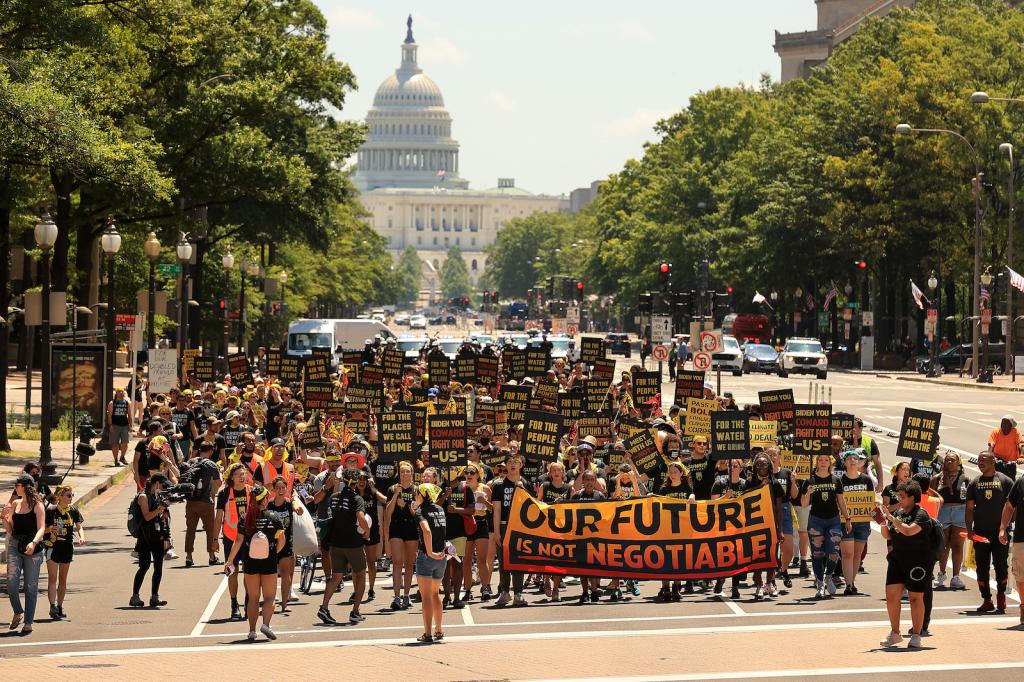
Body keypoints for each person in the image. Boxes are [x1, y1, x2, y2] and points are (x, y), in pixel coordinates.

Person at [224, 485, 285, 642]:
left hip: (250, 562)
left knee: (253, 598)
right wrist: (273, 554)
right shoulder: (274, 517)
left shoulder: (245, 518)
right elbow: (282, 541)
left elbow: (238, 541)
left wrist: (229, 561)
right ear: (264, 500)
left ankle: (252, 631)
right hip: (269, 562)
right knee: (270, 597)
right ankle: (266, 625)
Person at [878, 481, 933, 649]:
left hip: (917, 561)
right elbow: (888, 536)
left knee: (915, 598)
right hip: (897, 559)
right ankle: (895, 633)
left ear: (912, 497)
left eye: (902, 497)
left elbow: (909, 531)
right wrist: (882, 521)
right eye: (898, 496)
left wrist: (892, 518)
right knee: (891, 596)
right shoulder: (899, 513)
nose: (899, 500)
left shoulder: (921, 514)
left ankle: (916, 635)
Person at [318, 467, 370, 626]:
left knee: (335, 577)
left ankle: (324, 607)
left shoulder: (334, 497)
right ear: (356, 482)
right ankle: (355, 612)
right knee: (360, 575)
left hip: (336, 543)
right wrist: (367, 531)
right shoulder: (357, 499)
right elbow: (361, 518)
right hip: (353, 543)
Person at [965, 450, 1014, 612]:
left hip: (1000, 532)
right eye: (979, 460)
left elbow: (1012, 506)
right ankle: (987, 599)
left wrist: (1008, 526)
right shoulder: (974, 483)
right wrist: (969, 530)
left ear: (993, 462)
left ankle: (1001, 596)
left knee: (1001, 565)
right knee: (981, 567)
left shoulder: (1005, 481)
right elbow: (969, 509)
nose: (980, 463)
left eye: (984, 460)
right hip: (980, 532)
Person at [800, 453, 852, 600]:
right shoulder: (809, 481)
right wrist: (808, 493)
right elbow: (804, 504)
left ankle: (828, 576)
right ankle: (820, 584)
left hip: (833, 520)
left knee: (834, 552)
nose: (823, 462)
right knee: (817, 554)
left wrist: (848, 519)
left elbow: (841, 501)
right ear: (816, 462)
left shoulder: (836, 480)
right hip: (815, 521)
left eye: (826, 460)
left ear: (830, 463)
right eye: (820, 460)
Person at [2, 474, 46, 633]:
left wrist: (34, 542)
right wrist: (3, 517)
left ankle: (28, 621)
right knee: (11, 583)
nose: (15, 487)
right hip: (15, 545)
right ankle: (18, 611)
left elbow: (42, 527)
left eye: (17, 485)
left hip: (32, 548)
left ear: (25, 487)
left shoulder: (38, 505)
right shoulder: (15, 503)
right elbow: (10, 529)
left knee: (30, 586)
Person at [214, 462, 251, 620]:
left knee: (249, 573)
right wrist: (214, 539)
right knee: (232, 572)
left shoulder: (251, 491)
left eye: (243, 474)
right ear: (231, 477)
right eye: (237, 475)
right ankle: (234, 604)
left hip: (249, 538)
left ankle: (249, 602)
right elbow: (218, 518)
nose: (241, 477)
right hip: (230, 538)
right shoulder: (224, 493)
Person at [130, 473, 172, 609]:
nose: (163, 488)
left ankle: (155, 596)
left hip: (157, 535)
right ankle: (135, 596)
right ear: (157, 483)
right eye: (163, 485)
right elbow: (147, 517)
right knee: (144, 566)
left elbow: (157, 516)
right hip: (145, 537)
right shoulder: (143, 497)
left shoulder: (156, 496)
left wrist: (164, 513)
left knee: (158, 566)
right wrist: (160, 509)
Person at [43, 484, 85, 620]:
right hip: (53, 546)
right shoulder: (51, 510)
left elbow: (79, 526)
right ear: (60, 496)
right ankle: (52, 606)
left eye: (72, 495)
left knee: (63, 579)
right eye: (68, 495)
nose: (71, 497)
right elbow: (41, 529)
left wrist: (82, 537)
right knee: (52, 578)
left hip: (67, 547)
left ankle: (60, 606)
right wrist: (50, 529)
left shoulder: (73, 510)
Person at [492, 453, 528, 607]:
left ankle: (518, 593)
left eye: (516, 461)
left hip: (521, 526)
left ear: (521, 465)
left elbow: (531, 507)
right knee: (503, 561)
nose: (513, 464)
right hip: (504, 525)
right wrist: (496, 532)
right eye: (510, 462)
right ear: (505, 465)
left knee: (519, 559)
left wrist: (522, 489)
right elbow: (496, 510)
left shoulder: (526, 483)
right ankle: (505, 592)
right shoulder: (498, 485)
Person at [414, 482, 448, 643]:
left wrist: (429, 552)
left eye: (417, 493)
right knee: (435, 593)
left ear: (422, 495)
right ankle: (439, 629)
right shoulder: (440, 509)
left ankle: (427, 634)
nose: (415, 496)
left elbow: (427, 531)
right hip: (441, 556)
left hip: (427, 557)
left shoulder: (421, 511)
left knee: (426, 596)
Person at [384, 461, 419, 610]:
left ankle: (406, 595)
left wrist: (407, 507)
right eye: (402, 471)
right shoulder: (392, 489)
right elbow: (388, 512)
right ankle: (397, 597)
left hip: (411, 527)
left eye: (407, 471)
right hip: (396, 527)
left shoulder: (416, 490)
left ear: (412, 474)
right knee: (397, 562)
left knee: (409, 564)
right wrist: (395, 496)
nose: (405, 474)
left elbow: (418, 513)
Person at [931, 452, 968, 591]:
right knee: (943, 545)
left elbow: (970, 499)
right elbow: (930, 495)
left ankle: (956, 577)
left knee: (958, 545)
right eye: (947, 460)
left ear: (958, 462)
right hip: (943, 511)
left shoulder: (965, 478)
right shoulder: (937, 478)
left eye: (953, 460)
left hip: (960, 511)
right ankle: (941, 574)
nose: (950, 462)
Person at [183, 442, 223, 567]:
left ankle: (189, 556)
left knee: (190, 530)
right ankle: (212, 556)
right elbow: (219, 482)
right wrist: (213, 491)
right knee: (210, 530)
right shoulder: (211, 464)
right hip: (206, 501)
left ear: (200, 450)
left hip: (191, 501)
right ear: (211, 451)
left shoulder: (190, 462)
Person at [839, 450, 873, 595]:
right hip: (844, 521)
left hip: (863, 522)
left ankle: (851, 582)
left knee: (857, 555)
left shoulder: (866, 480)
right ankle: (848, 584)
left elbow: (870, 500)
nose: (853, 461)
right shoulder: (839, 480)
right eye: (849, 458)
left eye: (855, 458)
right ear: (844, 462)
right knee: (847, 554)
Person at [462, 462, 492, 603]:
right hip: (466, 523)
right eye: (466, 472)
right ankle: (467, 589)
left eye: (472, 473)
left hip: (481, 523)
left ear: (478, 475)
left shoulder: (485, 488)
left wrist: (484, 502)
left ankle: (485, 588)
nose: (469, 475)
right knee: (467, 560)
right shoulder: (462, 487)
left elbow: (492, 509)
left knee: (481, 559)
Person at [998, 468, 1024, 624]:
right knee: (1020, 575)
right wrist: (1002, 528)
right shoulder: (1021, 482)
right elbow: (1009, 506)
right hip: (1022, 537)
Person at [988, 415, 1023, 479]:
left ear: (1011, 426)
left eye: (1006, 423)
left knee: (1011, 481)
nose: (1003, 425)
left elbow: (1021, 445)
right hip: (997, 460)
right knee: (994, 480)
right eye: (1002, 422)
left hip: (1010, 462)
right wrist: (990, 456)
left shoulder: (1015, 432)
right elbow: (991, 445)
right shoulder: (996, 431)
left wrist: (1022, 457)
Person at [107, 387, 132, 466]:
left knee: (125, 443)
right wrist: (110, 425)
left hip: (124, 425)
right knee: (115, 443)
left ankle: (122, 457)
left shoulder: (127, 403)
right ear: (116, 393)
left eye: (122, 392)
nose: (121, 393)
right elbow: (109, 415)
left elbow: (129, 415)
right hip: (115, 425)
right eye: (119, 391)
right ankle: (116, 460)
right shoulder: (112, 403)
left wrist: (130, 425)